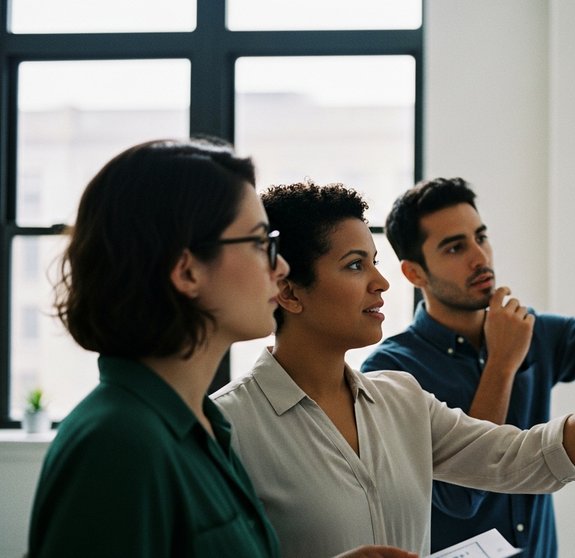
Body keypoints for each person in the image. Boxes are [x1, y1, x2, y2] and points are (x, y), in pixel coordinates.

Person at [211, 181, 575, 557]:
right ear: (289, 290)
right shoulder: (225, 429)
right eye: (354, 265)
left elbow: (530, 457)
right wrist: (502, 365)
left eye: (373, 260)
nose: (381, 283)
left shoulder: (398, 397)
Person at [29, 139, 412, 558]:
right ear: (187, 270)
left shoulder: (205, 426)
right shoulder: (117, 442)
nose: (280, 267)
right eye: (258, 243)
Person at [361, 177, 575, 556]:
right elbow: (462, 497)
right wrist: (501, 362)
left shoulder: (529, 331)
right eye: (455, 247)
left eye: (481, 237)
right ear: (414, 273)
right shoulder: (391, 372)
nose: (479, 257)